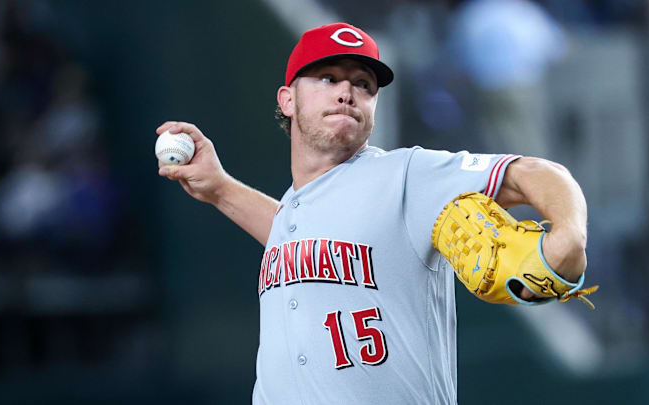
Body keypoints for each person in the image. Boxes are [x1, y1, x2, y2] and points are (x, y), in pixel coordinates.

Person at [156, 22, 588, 405]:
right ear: (287, 100)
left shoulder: (406, 175)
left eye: (363, 84)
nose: (347, 91)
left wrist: (569, 236)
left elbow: (538, 172)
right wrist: (220, 189)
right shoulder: (296, 209)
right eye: (328, 77)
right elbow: (300, 237)